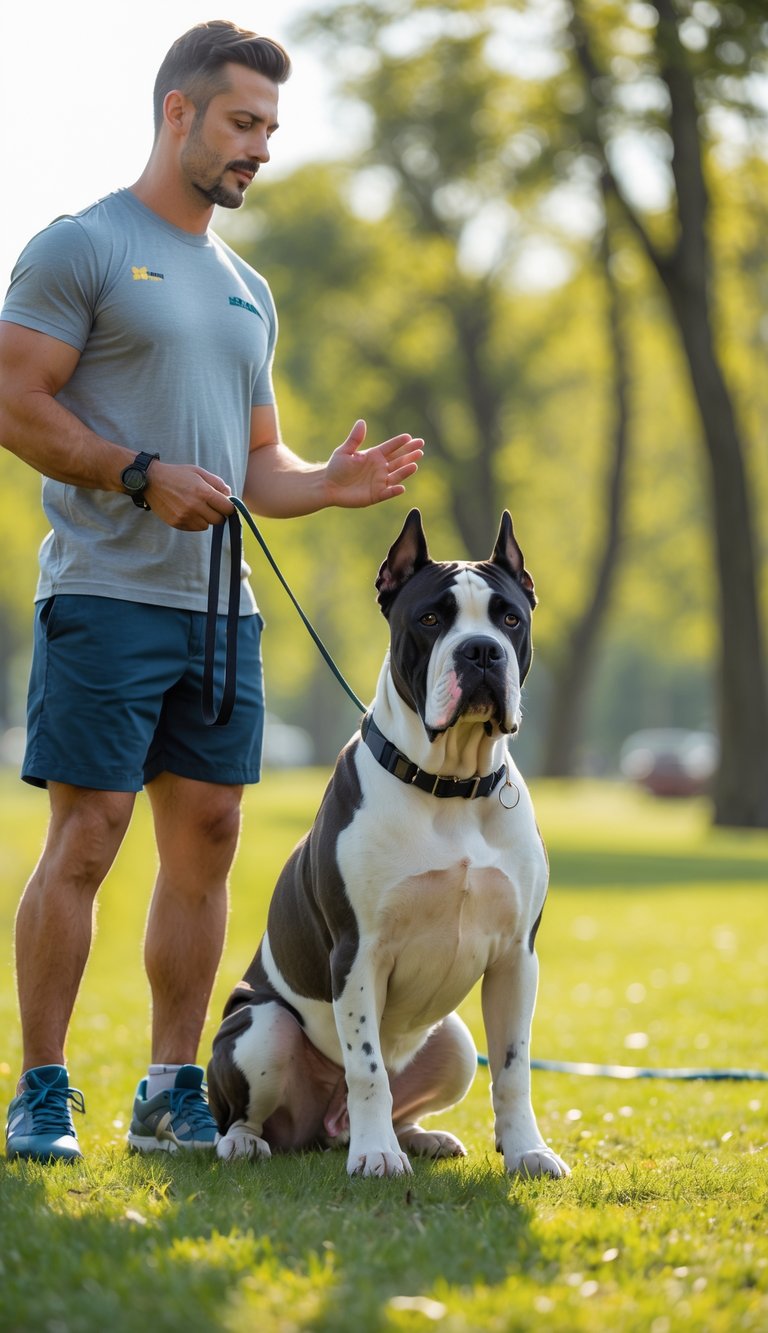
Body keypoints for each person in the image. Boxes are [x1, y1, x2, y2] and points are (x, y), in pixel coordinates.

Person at [0, 20, 424, 1163]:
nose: (262, 150)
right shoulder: (79, 245)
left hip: (223, 614)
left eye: (272, 130)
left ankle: (169, 1086)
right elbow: (13, 402)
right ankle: (41, 1088)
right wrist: (134, 474)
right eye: (244, 124)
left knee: (213, 838)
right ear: (178, 113)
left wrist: (326, 485)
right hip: (104, 594)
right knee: (86, 837)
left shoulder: (248, 289)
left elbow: (253, 467)